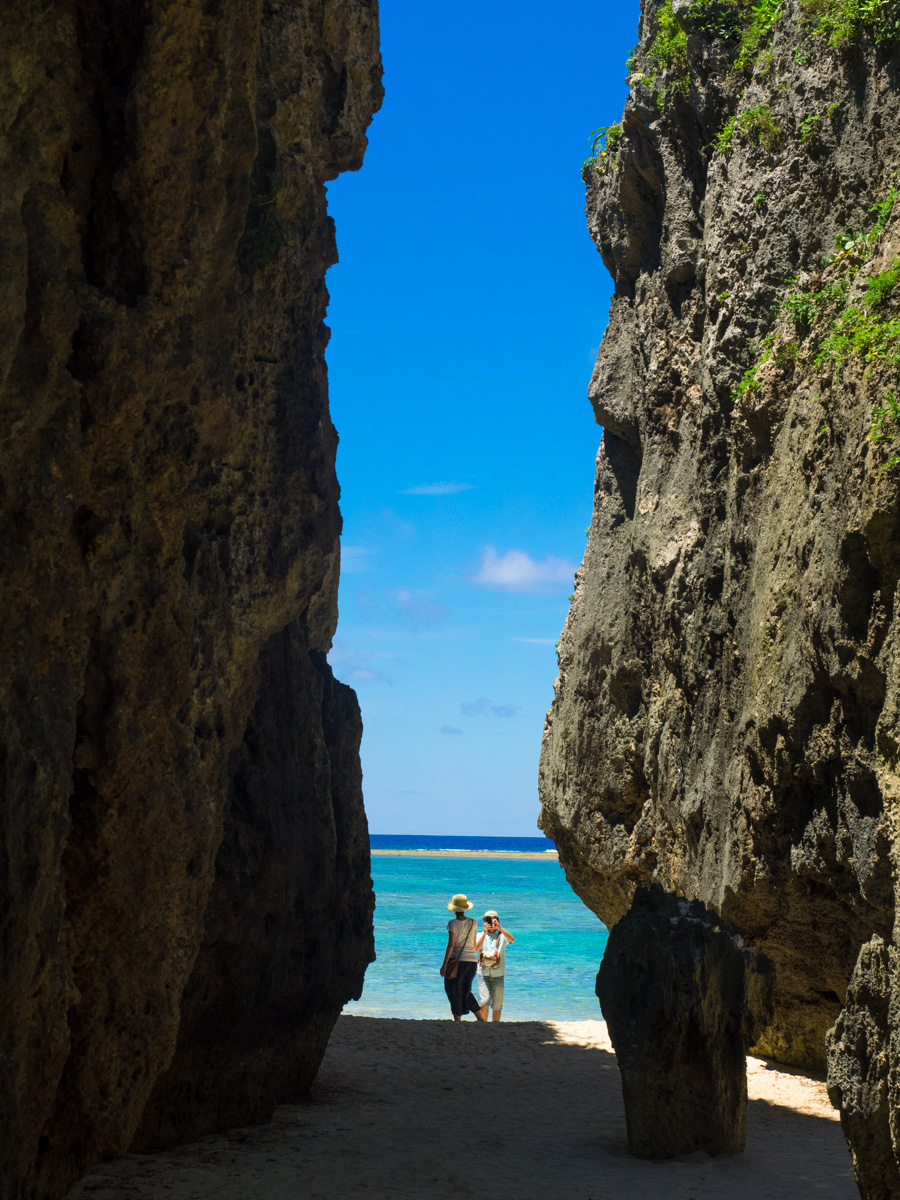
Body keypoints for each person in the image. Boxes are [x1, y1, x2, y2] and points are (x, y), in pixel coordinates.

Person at [440, 894, 486, 1022]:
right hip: (471, 961)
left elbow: (451, 945)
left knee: (452, 990)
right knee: (466, 990)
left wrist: (444, 965)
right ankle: (480, 1018)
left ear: (454, 909)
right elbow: (474, 945)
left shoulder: (452, 924)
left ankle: (457, 1019)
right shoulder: (473, 922)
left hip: (457, 962)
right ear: (465, 909)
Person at [475, 909, 514, 1022]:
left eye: (493, 919)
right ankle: (483, 1026)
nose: (491, 922)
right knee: (484, 1002)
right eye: (488, 919)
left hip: (498, 973)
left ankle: (496, 1027)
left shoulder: (502, 936)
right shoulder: (479, 935)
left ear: (498, 920)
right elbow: (476, 948)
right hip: (483, 972)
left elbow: (512, 939)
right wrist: (485, 933)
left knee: (497, 1004)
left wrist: (500, 928)